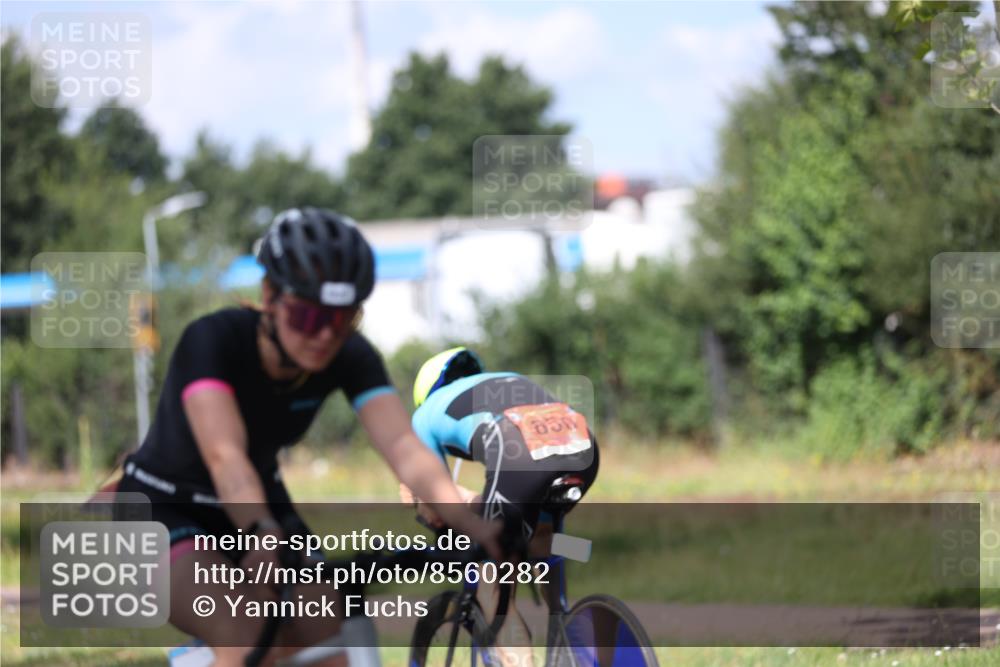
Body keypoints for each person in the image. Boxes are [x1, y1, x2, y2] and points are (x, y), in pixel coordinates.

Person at [115, 208, 499, 667]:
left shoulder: (348, 354)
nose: (323, 335)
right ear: (270, 295)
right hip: (165, 505)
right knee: (245, 632)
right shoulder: (212, 340)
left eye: (342, 319)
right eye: (306, 316)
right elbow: (225, 458)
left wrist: (474, 524)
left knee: (326, 626)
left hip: (264, 498)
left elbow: (404, 449)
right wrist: (259, 534)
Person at [403, 347, 600, 663]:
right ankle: (564, 625)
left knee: (491, 581)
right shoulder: (508, 382)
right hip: (585, 447)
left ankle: (515, 653)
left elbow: (430, 495)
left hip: (516, 452)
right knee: (539, 538)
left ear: (424, 393)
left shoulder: (424, 415)